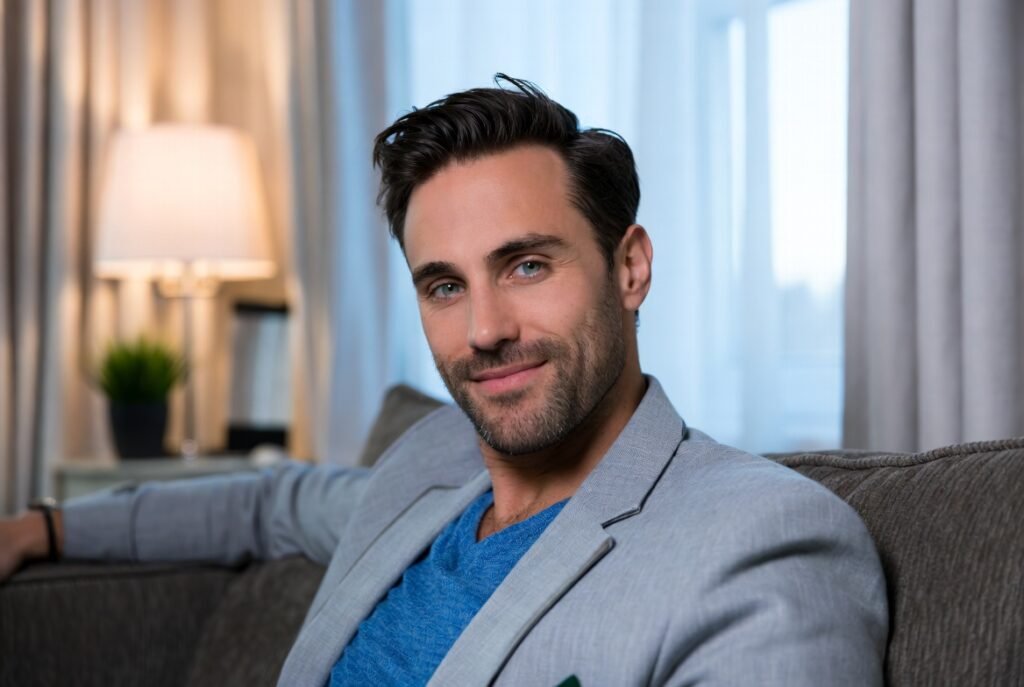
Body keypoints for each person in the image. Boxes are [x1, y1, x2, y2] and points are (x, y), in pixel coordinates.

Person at [0, 76, 887, 686]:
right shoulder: (428, 464)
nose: (485, 329)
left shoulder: (762, 536)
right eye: (445, 286)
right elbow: (269, 504)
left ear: (630, 268)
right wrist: (43, 526)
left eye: (527, 265)